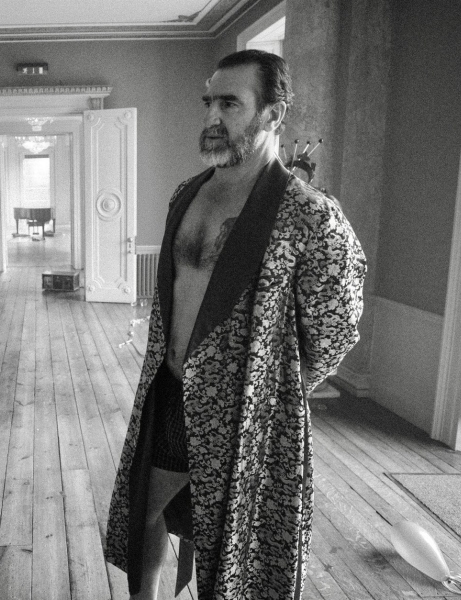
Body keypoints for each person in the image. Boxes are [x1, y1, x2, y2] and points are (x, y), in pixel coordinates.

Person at [104, 50, 366, 600]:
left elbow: (335, 329)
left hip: (248, 415)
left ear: (273, 113)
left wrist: (268, 391)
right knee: (145, 508)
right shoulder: (187, 194)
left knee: (234, 552)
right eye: (209, 102)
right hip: (171, 390)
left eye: (230, 103)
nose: (212, 116)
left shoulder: (310, 215)